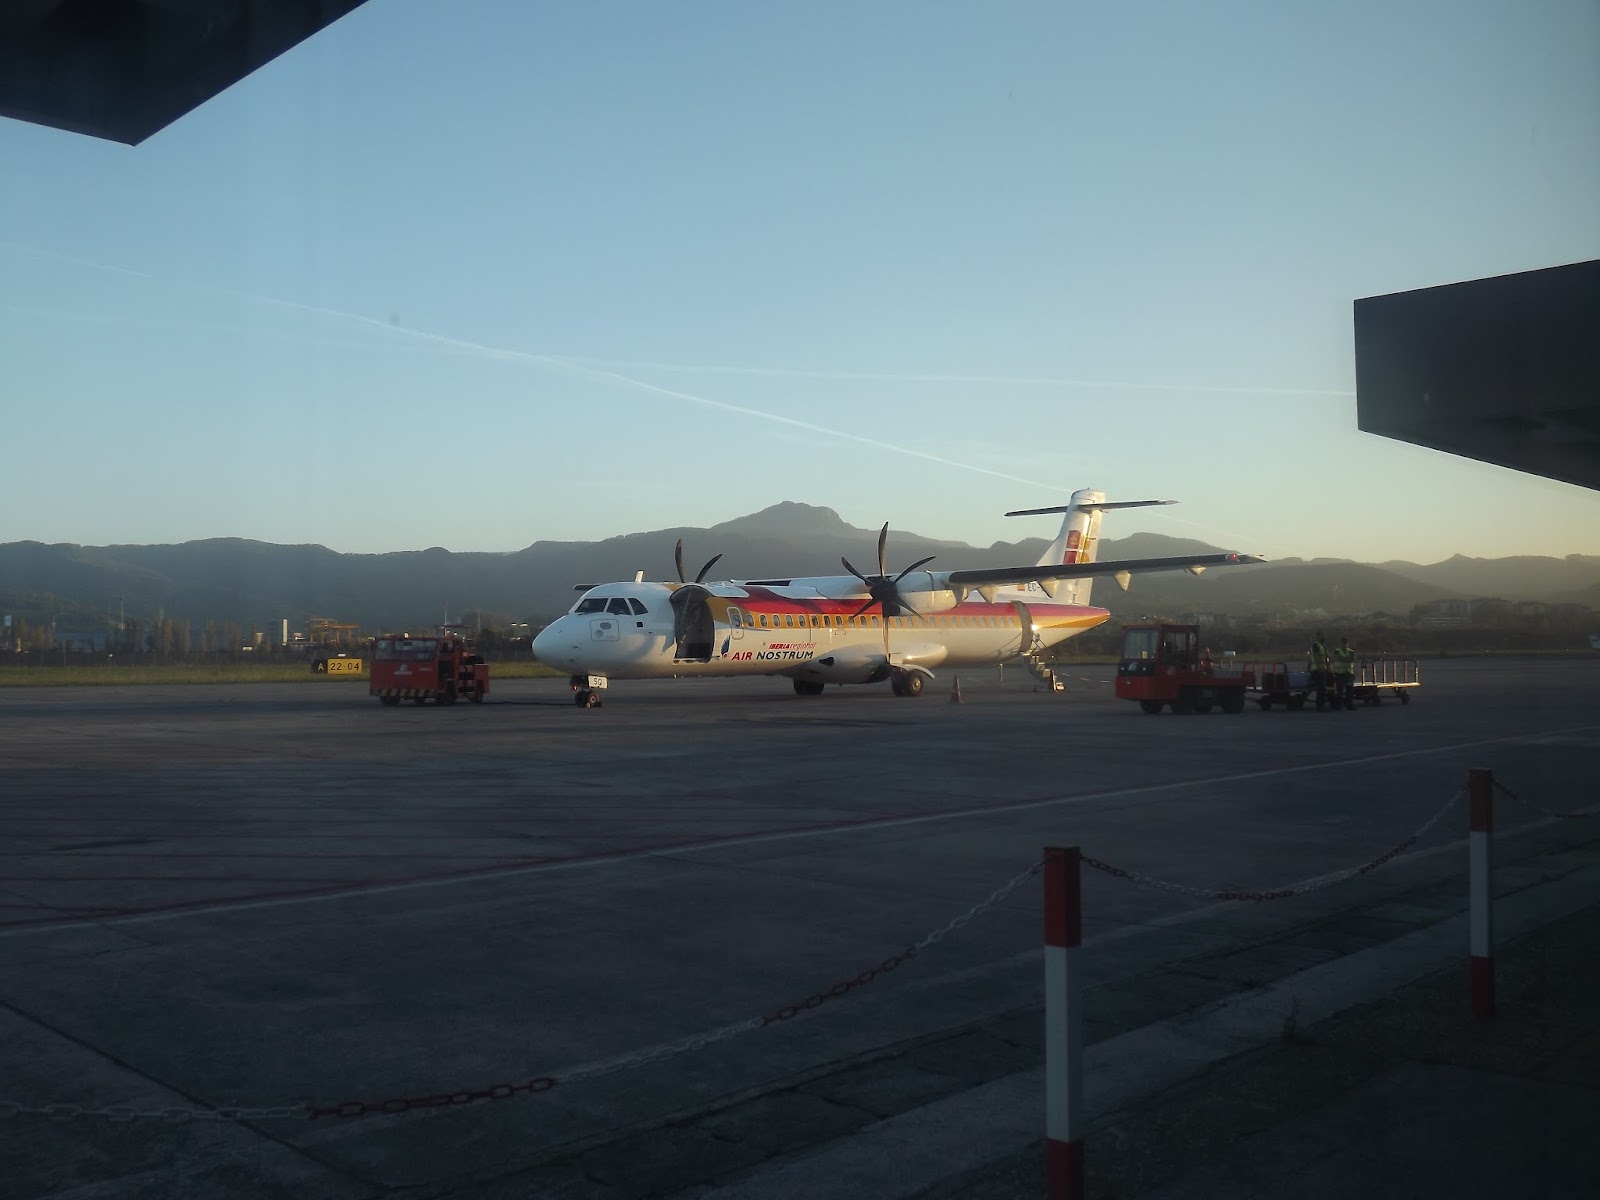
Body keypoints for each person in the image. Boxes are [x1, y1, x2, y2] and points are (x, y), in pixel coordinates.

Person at [1332, 636, 1356, 710]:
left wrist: (1343, 659)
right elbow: (1338, 657)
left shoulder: (1351, 651)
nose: (1344, 645)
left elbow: (1352, 659)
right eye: (1343, 643)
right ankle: (1338, 705)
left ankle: (1349, 704)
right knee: (1340, 689)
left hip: (1348, 672)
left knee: (1350, 690)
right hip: (1339, 672)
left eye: (1345, 643)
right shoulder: (1337, 651)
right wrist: (1347, 659)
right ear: (1340, 644)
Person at [1308, 630, 1330, 711]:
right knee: (1321, 687)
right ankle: (1320, 705)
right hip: (1317, 670)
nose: (1323, 637)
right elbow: (1317, 657)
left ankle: (1322, 704)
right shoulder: (1316, 645)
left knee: (1323, 687)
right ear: (1317, 636)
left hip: (1322, 669)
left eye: (1324, 635)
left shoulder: (1323, 646)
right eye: (1322, 635)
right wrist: (1320, 667)